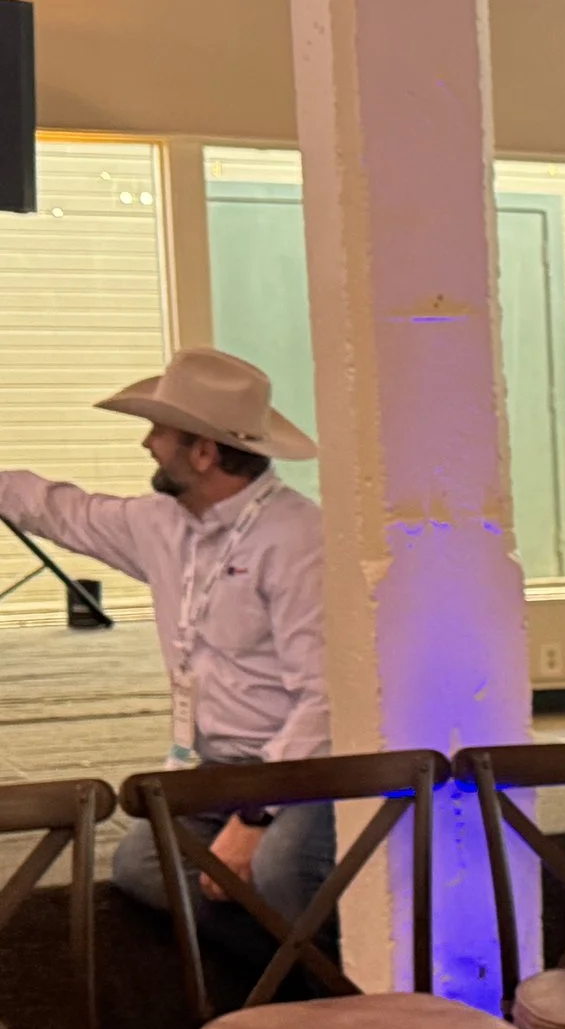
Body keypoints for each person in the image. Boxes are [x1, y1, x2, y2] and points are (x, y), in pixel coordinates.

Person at [0, 347, 332, 927]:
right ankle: (279, 980)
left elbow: (324, 698)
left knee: (281, 866)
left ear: (203, 452)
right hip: (213, 768)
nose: (146, 443)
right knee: (143, 866)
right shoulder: (162, 523)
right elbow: (61, 509)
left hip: (304, 771)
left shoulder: (299, 540)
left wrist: (257, 816)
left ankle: (333, 993)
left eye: (159, 431)